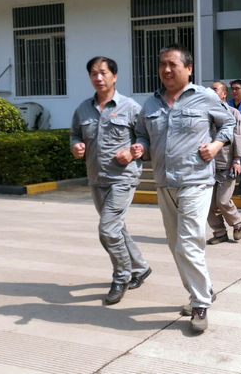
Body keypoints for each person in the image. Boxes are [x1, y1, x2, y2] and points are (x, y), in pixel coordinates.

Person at [130, 44, 235, 333]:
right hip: (164, 183)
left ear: (189, 69)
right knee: (175, 245)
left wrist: (216, 145)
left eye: (172, 64)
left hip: (196, 180)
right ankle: (203, 289)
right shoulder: (150, 104)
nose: (166, 69)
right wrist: (141, 147)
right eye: (162, 64)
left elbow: (228, 123)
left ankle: (200, 303)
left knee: (188, 242)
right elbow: (142, 134)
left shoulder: (205, 97)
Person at [70, 56, 151, 306]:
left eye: (103, 73)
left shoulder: (130, 107)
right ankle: (140, 267)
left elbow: (146, 138)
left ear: (114, 76)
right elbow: (74, 134)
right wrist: (76, 146)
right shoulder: (83, 109)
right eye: (93, 73)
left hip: (122, 177)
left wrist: (133, 152)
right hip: (97, 177)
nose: (98, 77)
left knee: (107, 230)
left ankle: (121, 277)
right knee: (116, 228)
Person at [206, 81, 241, 245]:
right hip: (208, 167)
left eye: (215, 90)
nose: (211, 92)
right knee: (208, 205)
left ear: (224, 94)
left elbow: (240, 137)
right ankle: (220, 233)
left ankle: (238, 222)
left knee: (222, 201)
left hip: (227, 165)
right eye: (210, 90)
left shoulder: (233, 113)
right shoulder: (205, 115)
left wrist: (237, 159)